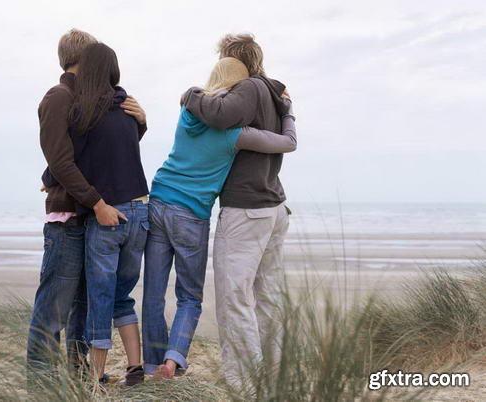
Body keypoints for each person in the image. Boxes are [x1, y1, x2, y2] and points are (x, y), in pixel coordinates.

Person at [142, 56, 296, 379]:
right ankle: (171, 362)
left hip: (159, 200)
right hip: (192, 214)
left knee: (153, 292)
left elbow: (197, 100)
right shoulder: (235, 134)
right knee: (189, 297)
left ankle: (151, 364)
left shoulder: (187, 110)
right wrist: (287, 111)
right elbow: (285, 143)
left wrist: (191, 93)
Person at [27, 29, 145, 384]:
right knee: (54, 307)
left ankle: (79, 376)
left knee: (83, 305)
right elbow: (62, 162)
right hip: (68, 217)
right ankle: (42, 382)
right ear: (87, 57)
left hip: (89, 216)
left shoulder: (94, 99)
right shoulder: (59, 96)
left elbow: (102, 150)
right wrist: (96, 202)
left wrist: (139, 123)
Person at [182, 34, 294, 388]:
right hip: (274, 207)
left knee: (235, 297)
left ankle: (244, 381)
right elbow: (289, 139)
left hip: (247, 209)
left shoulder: (248, 88)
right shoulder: (277, 95)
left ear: (231, 61)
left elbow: (220, 114)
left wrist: (190, 94)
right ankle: (273, 373)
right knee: (267, 295)